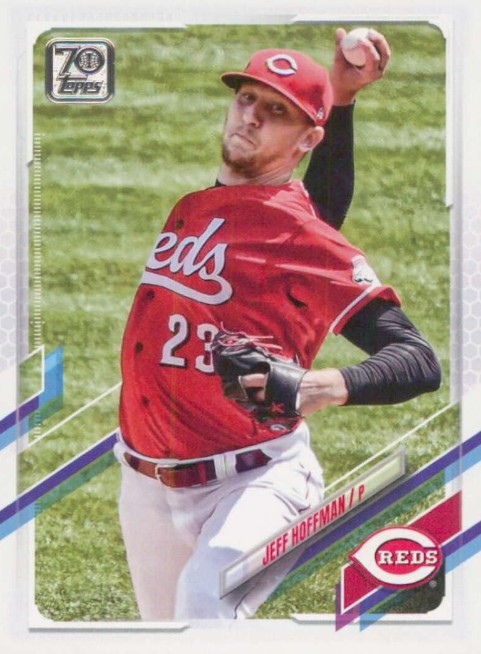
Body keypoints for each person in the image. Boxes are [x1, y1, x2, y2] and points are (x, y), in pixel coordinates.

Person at [114, 30, 441, 621]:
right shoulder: (196, 207)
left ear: (309, 139)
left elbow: (417, 358)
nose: (252, 116)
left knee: (205, 606)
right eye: (247, 98)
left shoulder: (302, 236)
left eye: (277, 111)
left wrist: (319, 386)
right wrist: (341, 95)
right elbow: (311, 215)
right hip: (146, 486)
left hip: (257, 480)